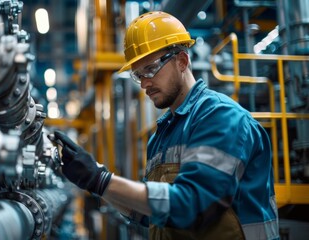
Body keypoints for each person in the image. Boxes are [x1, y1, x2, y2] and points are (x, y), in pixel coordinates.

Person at [54, 11, 279, 240]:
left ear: (182, 61)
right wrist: (95, 182)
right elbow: (150, 215)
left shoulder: (220, 117)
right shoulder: (160, 136)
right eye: (138, 75)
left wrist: (101, 180)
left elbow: (190, 206)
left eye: (150, 69)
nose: (144, 84)